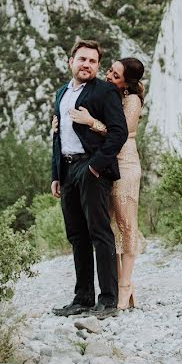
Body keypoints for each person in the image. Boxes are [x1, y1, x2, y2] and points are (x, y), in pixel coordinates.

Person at [50, 39, 128, 319]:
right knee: (77, 236)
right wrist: (56, 174)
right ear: (71, 61)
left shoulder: (104, 91)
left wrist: (96, 166)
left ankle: (107, 299)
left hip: (91, 168)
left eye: (93, 61)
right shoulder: (61, 94)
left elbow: (118, 132)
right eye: (82, 59)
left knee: (99, 232)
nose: (87, 65)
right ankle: (82, 298)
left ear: (97, 65)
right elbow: (58, 136)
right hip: (68, 171)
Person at [66, 57, 145, 311]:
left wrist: (91, 122)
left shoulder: (132, 101)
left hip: (126, 164)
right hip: (107, 164)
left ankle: (125, 286)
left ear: (127, 82)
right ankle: (118, 285)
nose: (109, 75)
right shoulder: (108, 95)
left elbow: (121, 132)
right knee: (110, 226)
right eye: (110, 70)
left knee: (126, 223)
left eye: (115, 74)